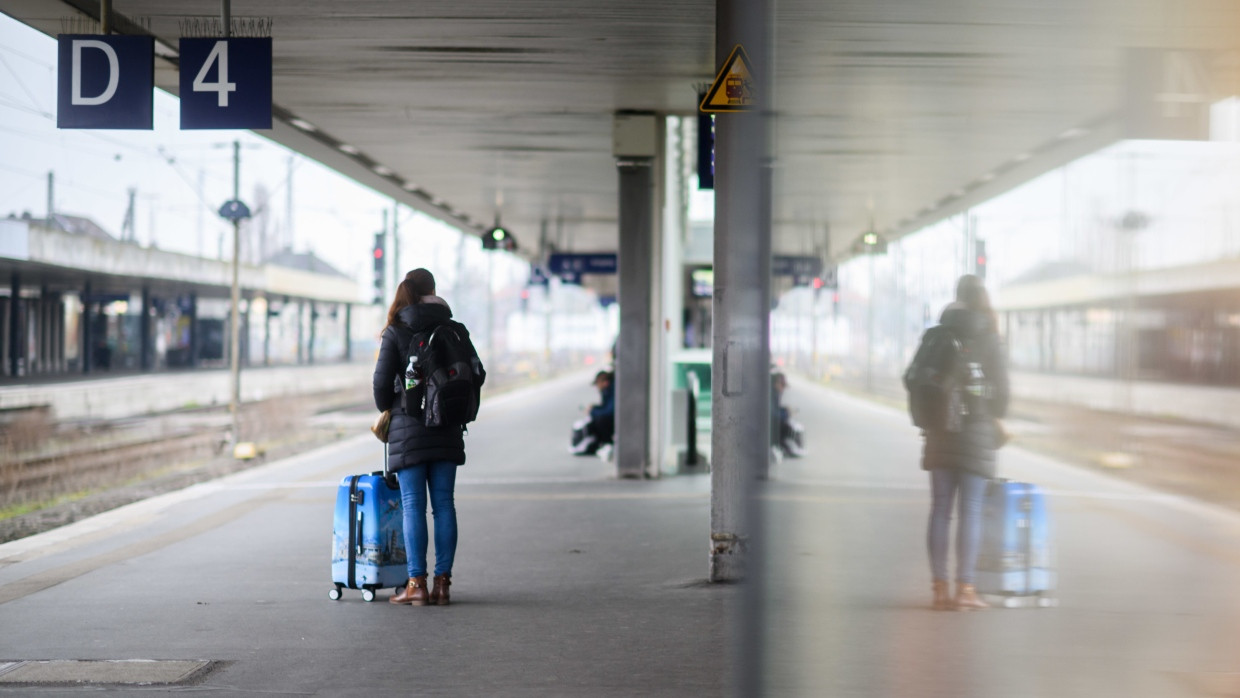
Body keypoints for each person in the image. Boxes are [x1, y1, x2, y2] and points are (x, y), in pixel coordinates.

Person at [373, 268, 481, 607]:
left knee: (412, 506)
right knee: (444, 505)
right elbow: (476, 374)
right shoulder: (454, 329)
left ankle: (416, 584)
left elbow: (379, 388)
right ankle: (443, 584)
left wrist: (392, 404)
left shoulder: (396, 331)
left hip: (409, 429)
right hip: (447, 426)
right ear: (433, 291)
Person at [922, 274, 1009, 611]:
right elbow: (1002, 395)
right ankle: (966, 590)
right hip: (976, 432)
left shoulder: (938, 333)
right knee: (970, 510)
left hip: (940, 431)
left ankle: (939, 588)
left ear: (957, 298)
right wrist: (991, 412)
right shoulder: (990, 337)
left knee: (940, 509)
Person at [570, 370, 615, 456]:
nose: (597, 387)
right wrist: (594, 408)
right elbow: (606, 407)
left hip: (614, 420)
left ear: (605, 382)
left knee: (600, 419)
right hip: (612, 418)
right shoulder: (607, 391)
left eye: (597, 384)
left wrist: (593, 411)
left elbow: (610, 411)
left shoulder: (612, 391)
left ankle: (607, 444)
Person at [770, 372, 805, 458]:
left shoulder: (775, 393)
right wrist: (787, 413)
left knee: (792, 426)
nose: (783, 389)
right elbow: (772, 414)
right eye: (782, 385)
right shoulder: (770, 394)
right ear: (776, 383)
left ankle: (793, 448)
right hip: (770, 424)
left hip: (773, 422)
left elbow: (774, 409)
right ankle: (789, 448)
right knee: (787, 427)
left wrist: (785, 409)